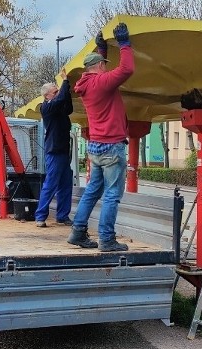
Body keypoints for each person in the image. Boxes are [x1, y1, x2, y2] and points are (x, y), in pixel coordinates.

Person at [67, 22, 134, 252]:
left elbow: (99, 70)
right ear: (98, 67)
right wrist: (124, 43)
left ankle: (77, 232)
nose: (106, 67)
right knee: (112, 195)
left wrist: (101, 50)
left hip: (96, 147)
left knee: (93, 191)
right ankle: (107, 239)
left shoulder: (87, 84)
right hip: (111, 148)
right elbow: (126, 70)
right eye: (104, 64)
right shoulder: (102, 83)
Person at [34, 67, 74, 227]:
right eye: (55, 92)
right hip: (55, 151)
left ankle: (62, 215)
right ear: (47, 96)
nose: (58, 93)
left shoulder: (57, 106)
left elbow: (68, 106)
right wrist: (65, 81)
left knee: (65, 184)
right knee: (50, 184)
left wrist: (66, 89)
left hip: (63, 151)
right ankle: (40, 216)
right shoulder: (47, 107)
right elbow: (61, 99)